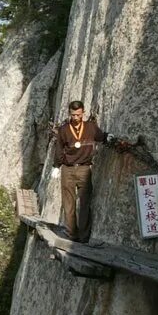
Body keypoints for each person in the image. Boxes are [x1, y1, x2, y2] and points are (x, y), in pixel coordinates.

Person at [49, 99, 105, 242]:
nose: (76, 118)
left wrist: (109, 137)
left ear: (83, 113)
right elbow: (59, 150)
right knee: (69, 203)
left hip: (84, 169)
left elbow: (101, 136)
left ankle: (84, 236)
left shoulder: (91, 127)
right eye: (73, 115)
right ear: (69, 113)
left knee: (85, 202)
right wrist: (56, 166)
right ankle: (72, 233)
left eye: (78, 115)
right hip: (67, 170)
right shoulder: (63, 130)